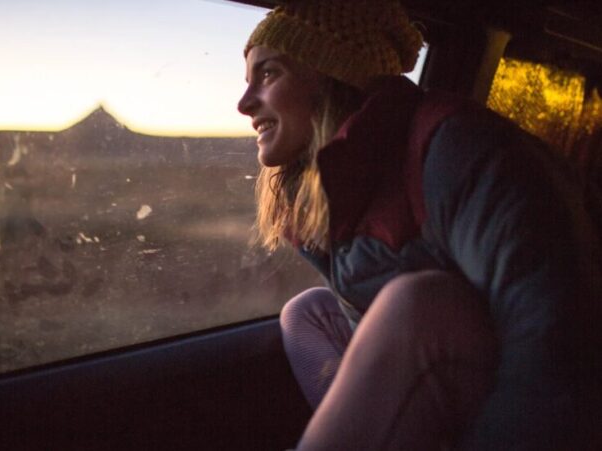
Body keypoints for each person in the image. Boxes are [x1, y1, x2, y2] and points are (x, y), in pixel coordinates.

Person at [236, 1, 602, 450]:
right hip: (456, 381)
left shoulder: (457, 151)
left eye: (268, 74)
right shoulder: (333, 185)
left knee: (417, 305)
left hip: (528, 401)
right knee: (307, 313)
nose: (244, 103)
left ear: (331, 73)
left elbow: (560, 341)